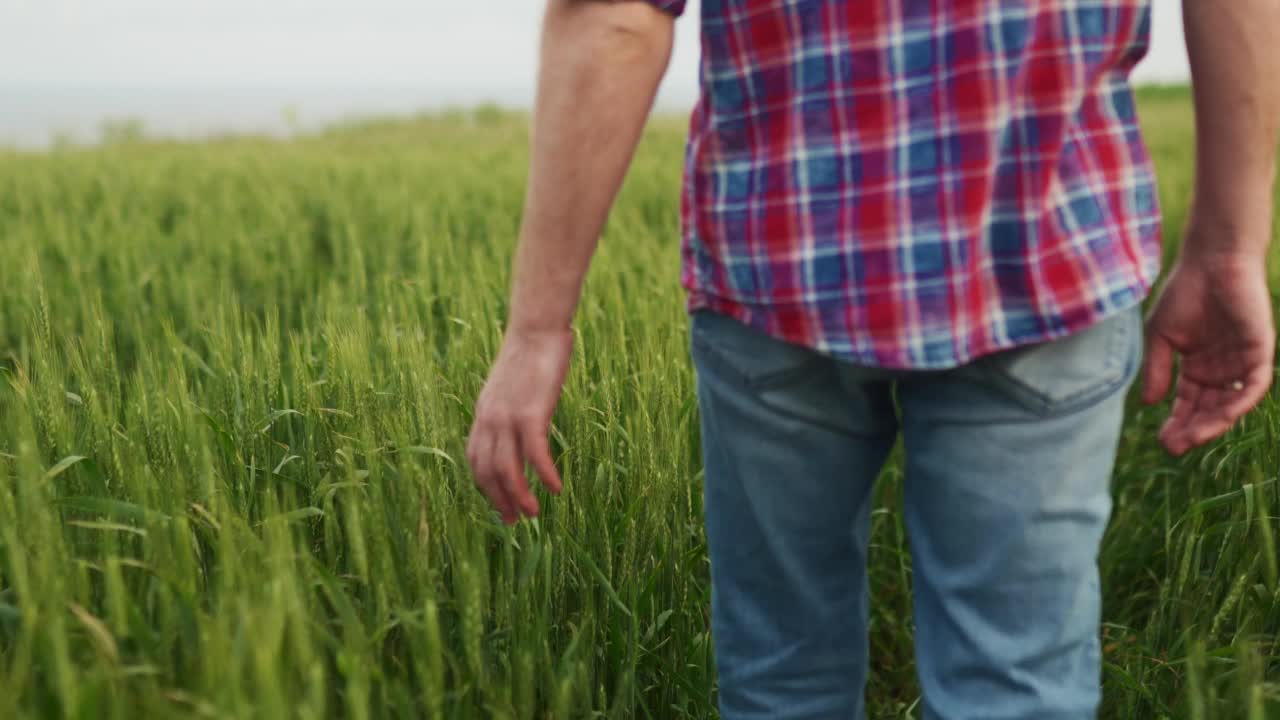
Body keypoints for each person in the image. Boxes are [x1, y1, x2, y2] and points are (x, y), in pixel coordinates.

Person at [465, 1, 1280, 717]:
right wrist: (1229, 244)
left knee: (785, 683)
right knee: (1013, 689)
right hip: (1045, 253)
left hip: (778, 267)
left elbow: (613, 15)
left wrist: (540, 328)